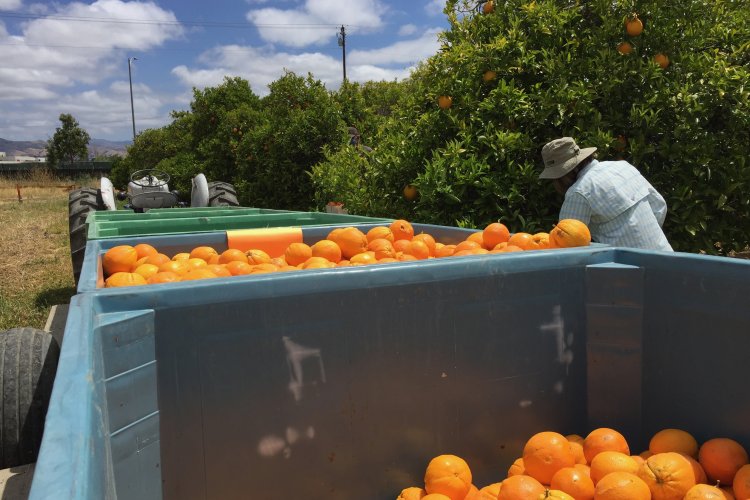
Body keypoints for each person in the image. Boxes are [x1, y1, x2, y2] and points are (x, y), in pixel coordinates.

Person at [539, 137, 673, 251]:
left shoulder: (579, 192)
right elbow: (659, 205)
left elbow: (566, 244)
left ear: (562, 175)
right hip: (665, 257)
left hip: (629, 272)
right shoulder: (623, 167)